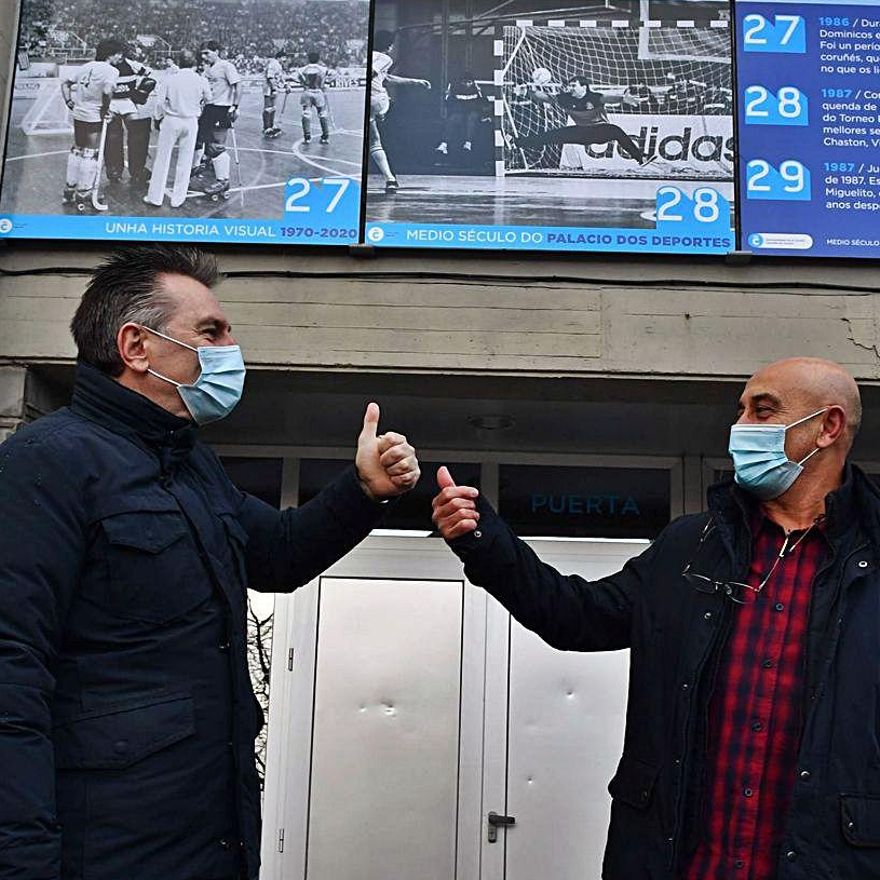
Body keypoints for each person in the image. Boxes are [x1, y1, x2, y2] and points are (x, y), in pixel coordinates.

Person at [0, 244, 421, 880]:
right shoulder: (47, 462)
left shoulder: (190, 465)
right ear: (136, 347)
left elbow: (275, 554)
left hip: (210, 838)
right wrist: (23, 862)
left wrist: (362, 492)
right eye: (211, 331)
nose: (230, 347)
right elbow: (11, 671)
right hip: (107, 846)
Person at [433, 357, 878, 879]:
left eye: (763, 411)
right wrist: (483, 541)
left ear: (828, 427)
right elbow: (574, 616)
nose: (741, 428)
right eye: (740, 412)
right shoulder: (691, 547)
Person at [512, 74, 654, 167]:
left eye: (574, 86)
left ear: (584, 87)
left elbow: (609, 98)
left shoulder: (594, 97)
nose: (570, 88)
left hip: (600, 130)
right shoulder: (565, 98)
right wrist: (526, 92)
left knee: (616, 130)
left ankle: (640, 158)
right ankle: (516, 143)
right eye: (570, 85)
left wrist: (623, 99)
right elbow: (545, 97)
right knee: (550, 136)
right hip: (581, 132)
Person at [60, 38, 123, 209]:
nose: (120, 58)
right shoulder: (111, 70)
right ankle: (84, 194)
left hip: (79, 113)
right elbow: (107, 90)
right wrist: (106, 108)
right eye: (118, 54)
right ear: (110, 54)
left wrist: (69, 102)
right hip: (94, 116)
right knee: (91, 153)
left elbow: (66, 84)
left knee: (77, 150)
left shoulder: (86, 66)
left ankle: (69, 190)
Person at [144, 50, 211, 209]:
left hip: (171, 120)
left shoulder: (169, 79)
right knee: (185, 160)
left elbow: (160, 103)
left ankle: (155, 198)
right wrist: (198, 108)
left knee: (163, 158)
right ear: (194, 63)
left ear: (179, 63)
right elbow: (209, 98)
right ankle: (178, 199)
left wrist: (158, 117)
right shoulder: (201, 80)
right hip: (191, 121)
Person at [369, 29, 431, 192]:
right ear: (389, 45)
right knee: (376, 134)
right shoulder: (384, 58)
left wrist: (414, 81)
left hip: (371, 100)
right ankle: (390, 179)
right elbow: (374, 72)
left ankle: (390, 179)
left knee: (375, 141)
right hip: (377, 100)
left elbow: (386, 78)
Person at [192, 41, 241, 199]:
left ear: (217, 51)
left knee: (216, 146)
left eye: (207, 53)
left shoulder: (227, 66)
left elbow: (238, 86)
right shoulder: (207, 69)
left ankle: (223, 181)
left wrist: (235, 106)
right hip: (209, 108)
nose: (204, 56)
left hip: (222, 108)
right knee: (201, 141)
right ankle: (205, 165)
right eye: (203, 54)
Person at [105, 48, 156, 188]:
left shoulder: (132, 64)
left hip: (128, 102)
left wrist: (140, 91)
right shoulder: (106, 66)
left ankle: (138, 169)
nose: (119, 56)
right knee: (112, 137)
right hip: (111, 103)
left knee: (138, 135)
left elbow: (149, 75)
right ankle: (114, 169)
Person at [435, 70, 490, 156]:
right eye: (465, 82)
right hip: (460, 112)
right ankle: (444, 144)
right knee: (452, 119)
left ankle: (468, 143)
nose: (467, 84)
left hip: (474, 113)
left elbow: (484, 103)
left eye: (469, 82)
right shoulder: (455, 89)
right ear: (461, 82)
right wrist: (448, 96)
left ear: (472, 82)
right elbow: (449, 103)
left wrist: (485, 115)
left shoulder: (477, 90)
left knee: (472, 117)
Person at [298, 49, 330, 144]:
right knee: (322, 113)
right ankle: (325, 136)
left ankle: (307, 137)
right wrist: (325, 83)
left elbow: (294, 78)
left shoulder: (302, 69)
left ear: (308, 59)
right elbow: (334, 75)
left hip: (307, 92)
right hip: (318, 92)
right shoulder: (323, 69)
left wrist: (302, 83)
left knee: (306, 113)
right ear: (318, 59)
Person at [262, 49, 286, 138]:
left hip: (274, 88)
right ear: (279, 57)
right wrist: (274, 88)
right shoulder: (273, 64)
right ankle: (266, 127)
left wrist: (285, 85)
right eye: (284, 58)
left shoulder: (279, 65)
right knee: (268, 108)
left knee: (273, 108)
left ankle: (271, 125)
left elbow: (280, 77)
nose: (285, 60)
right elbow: (270, 77)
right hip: (269, 89)